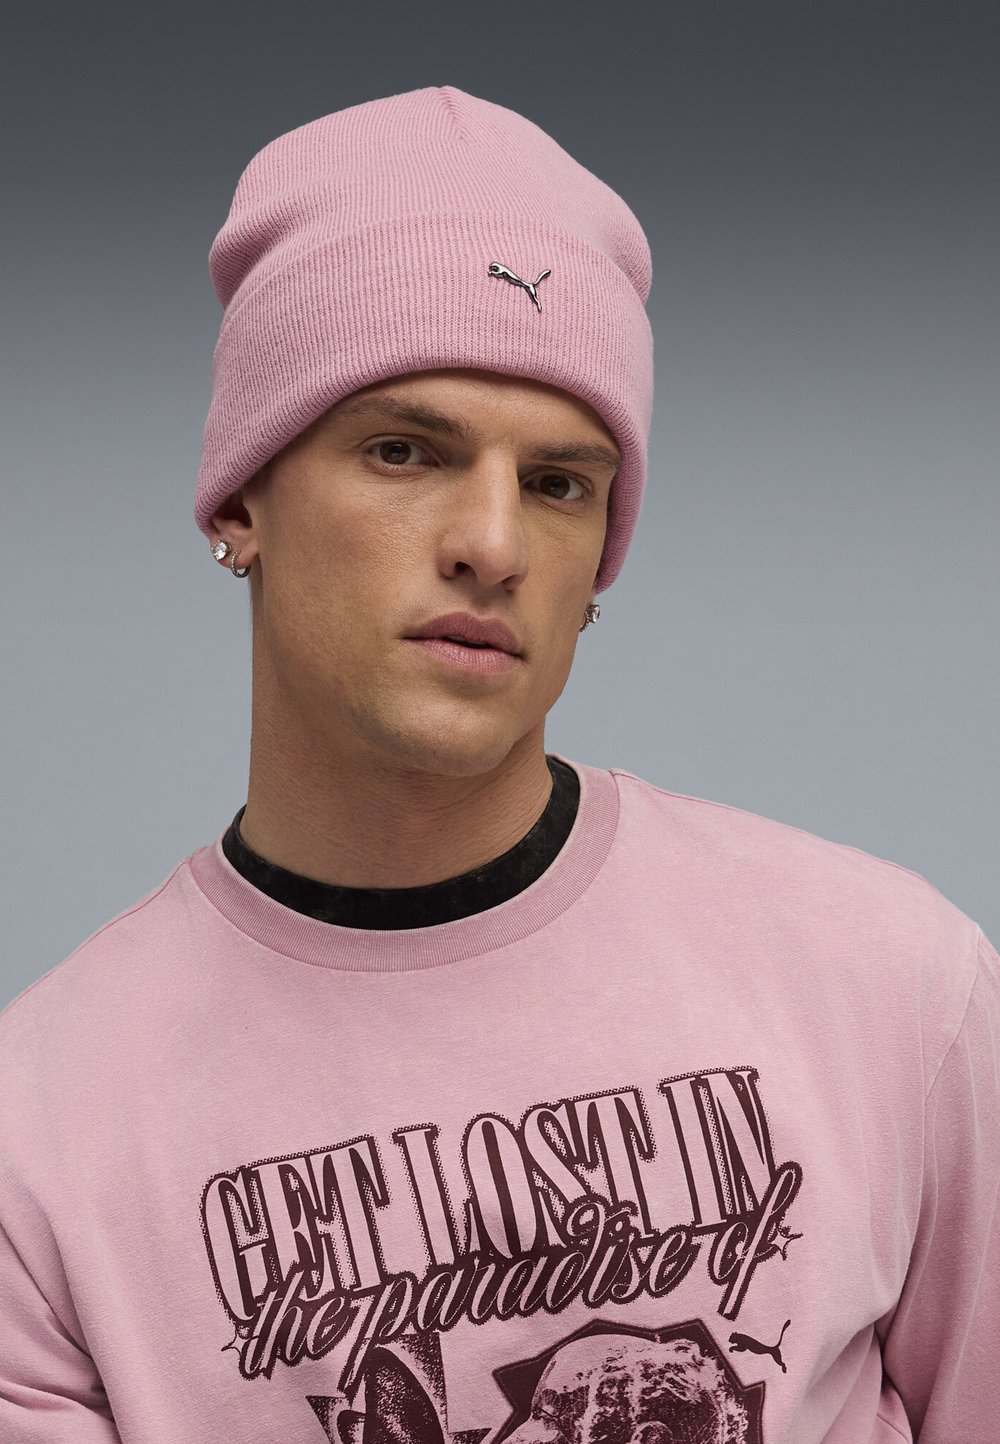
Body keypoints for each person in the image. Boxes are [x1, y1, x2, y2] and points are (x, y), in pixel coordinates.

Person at [0, 84, 996, 1444]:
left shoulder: (900, 991)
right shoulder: (41, 1140)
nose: (493, 544)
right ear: (240, 499)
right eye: (404, 451)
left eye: (559, 482)